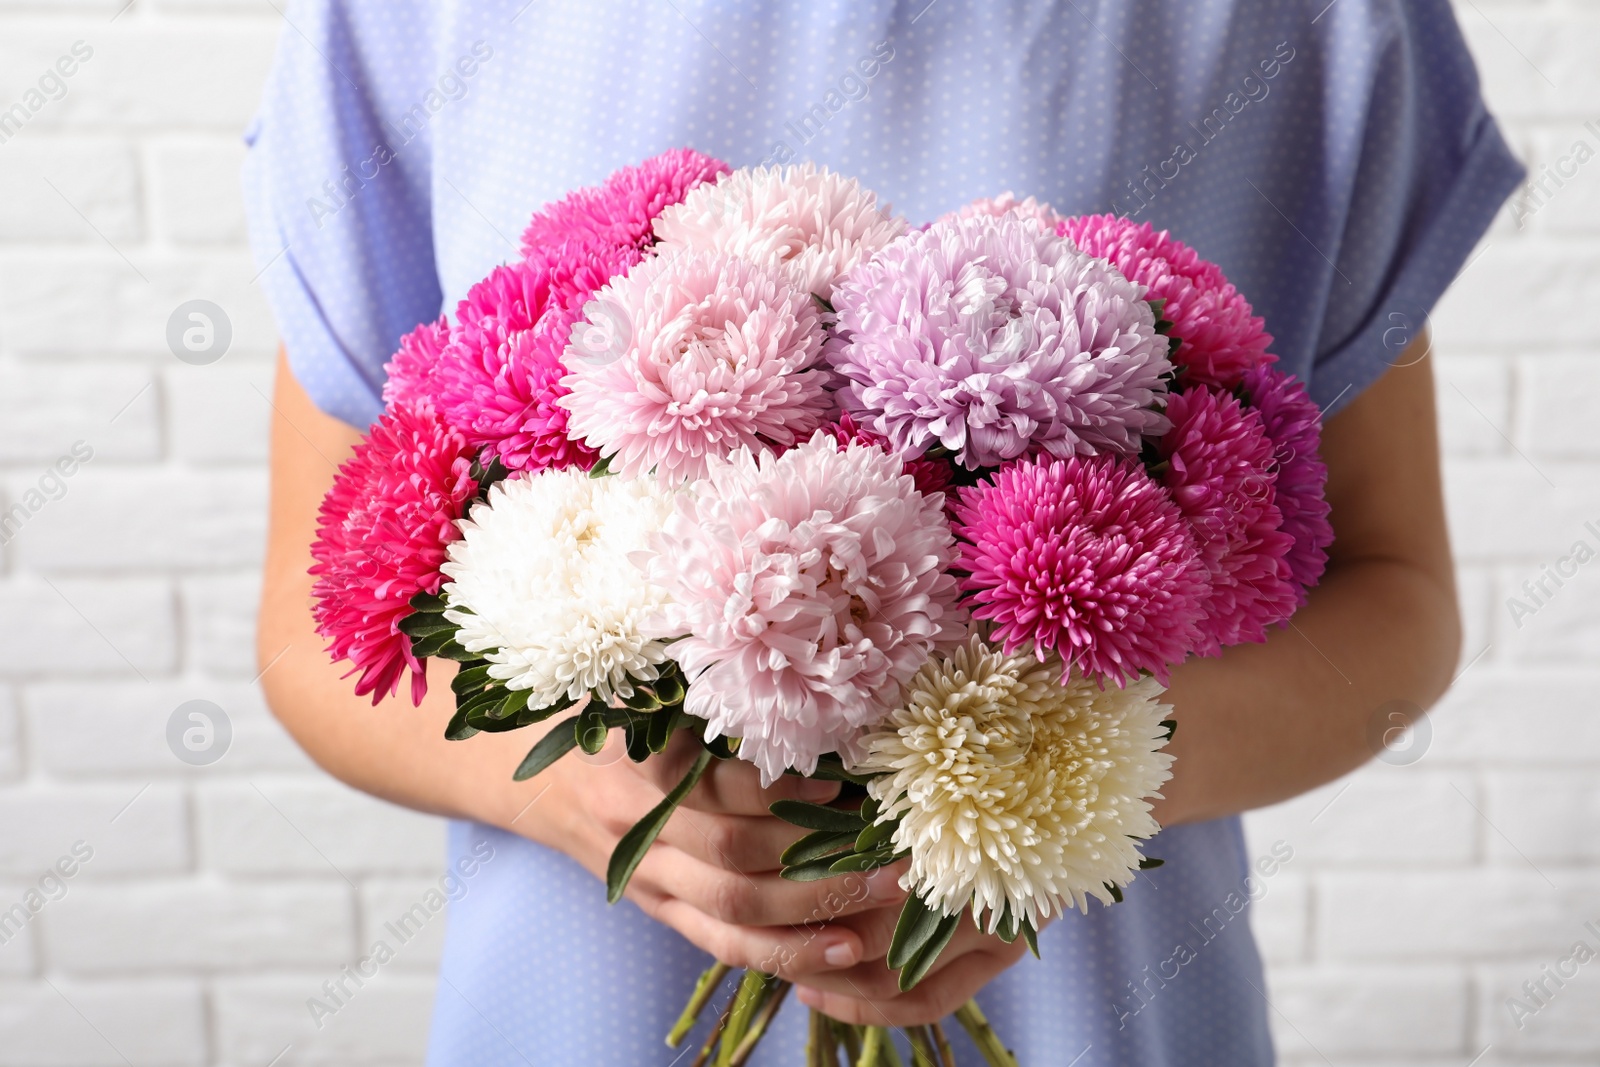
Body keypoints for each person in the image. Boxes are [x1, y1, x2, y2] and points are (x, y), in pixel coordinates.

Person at [246, 1, 1522, 1062]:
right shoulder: (411, 20)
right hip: (582, 1016)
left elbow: (1395, 592)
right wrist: (587, 788)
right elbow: (322, 623)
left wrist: (1043, 798)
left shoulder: (1317, 23)